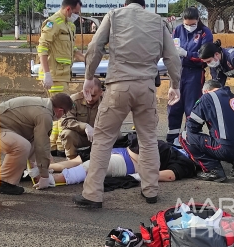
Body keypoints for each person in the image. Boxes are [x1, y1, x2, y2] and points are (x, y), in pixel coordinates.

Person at [73, 0, 182, 208]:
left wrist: (88, 77)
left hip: (118, 87)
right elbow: (172, 57)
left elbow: (95, 47)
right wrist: (175, 85)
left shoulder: (114, 15)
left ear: (125, 4)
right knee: (148, 140)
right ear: (143, 5)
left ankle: (93, 195)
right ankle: (150, 191)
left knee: (103, 139)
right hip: (147, 88)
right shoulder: (158, 22)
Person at [0, 93, 73, 195]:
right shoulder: (45, 115)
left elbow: (37, 141)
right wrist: (45, 176)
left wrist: (36, 171)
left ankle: (21, 173)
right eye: (64, 114)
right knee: (22, 146)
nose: (62, 116)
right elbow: (42, 146)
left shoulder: (43, 106)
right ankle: (3, 182)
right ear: (60, 110)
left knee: (31, 140)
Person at [179, 80, 234, 182]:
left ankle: (213, 170)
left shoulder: (207, 97)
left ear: (205, 91)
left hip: (227, 149)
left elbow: (192, 127)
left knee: (185, 136)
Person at [32, 139, 196, 185]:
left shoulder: (184, 160)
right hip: (122, 151)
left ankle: (51, 177)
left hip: (127, 160)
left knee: (90, 167)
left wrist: (138, 176)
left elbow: (169, 176)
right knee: (78, 162)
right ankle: (43, 169)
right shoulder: (174, 149)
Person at [37, 0, 85, 157]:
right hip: (54, 75)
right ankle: (57, 145)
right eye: (76, 13)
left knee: (58, 110)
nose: (77, 16)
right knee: (61, 110)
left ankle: (54, 145)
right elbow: (42, 49)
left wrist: (87, 60)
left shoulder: (69, 26)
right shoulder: (53, 23)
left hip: (63, 75)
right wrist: (47, 73)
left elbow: (74, 51)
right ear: (69, 9)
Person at [167, 7, 213, 144]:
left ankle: (188, 140)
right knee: (174, 105)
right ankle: (172, 140)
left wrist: (186, 54)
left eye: (192, 24)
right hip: (177, 72)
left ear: (198, 20)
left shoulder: (205, 33)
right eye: (187, 24)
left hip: (195, 73)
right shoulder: (178, 30)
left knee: (191, 107)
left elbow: (205, 57)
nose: (189, 27)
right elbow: (170, 47)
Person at [60, 77, 103, 159]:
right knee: (67, 134)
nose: (89, 99)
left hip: (98, 136)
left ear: (100, 92)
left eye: (93, 95)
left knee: (117, 135)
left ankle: (104, 158)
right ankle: (72, 160)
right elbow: (66, 121)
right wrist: (85, 126)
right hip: (79, 135)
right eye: (86, 94)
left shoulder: (105, 102)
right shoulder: (74, 100)